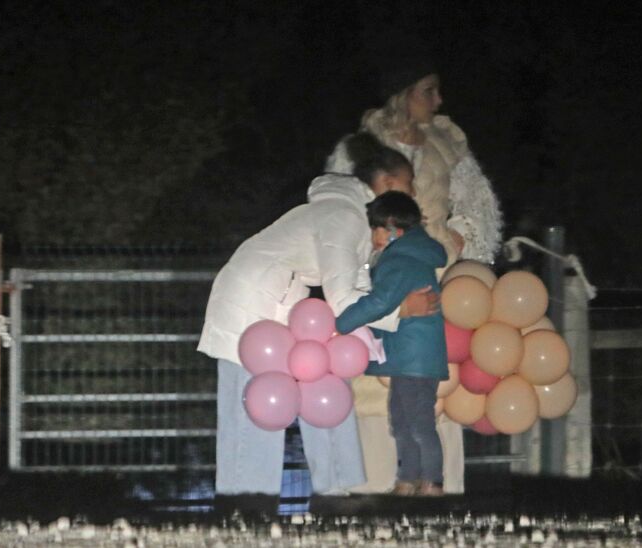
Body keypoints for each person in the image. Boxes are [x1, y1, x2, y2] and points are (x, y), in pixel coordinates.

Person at [198, 132, 438, 500]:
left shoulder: (354, 219)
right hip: (250, 304)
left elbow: (357, 289)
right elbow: (345, 301)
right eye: (410, 185)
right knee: (252, 410)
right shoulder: (344, 218)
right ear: (388, 185)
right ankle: (247, 507)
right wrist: (402, 311)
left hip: (275, 302)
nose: (415, 195)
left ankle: (331, 492)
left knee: (301, 391)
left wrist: (388, 312)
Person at [325, 49, 503, 494]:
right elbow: (339, 211)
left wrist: (461, 233)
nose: (439, 100)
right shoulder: (360, 147)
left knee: (431, 385)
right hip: (378, 268)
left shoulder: (446, 145)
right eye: (429, 90)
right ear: (403, 95)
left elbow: (478, 205)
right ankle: (378, 482)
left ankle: (436, 481)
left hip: (433, 271)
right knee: (373, 379)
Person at [335, 191, 448, 496]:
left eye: (375, 229)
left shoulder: (398, 260)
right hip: (412, 357)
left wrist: (341, 324)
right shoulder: (412, 256)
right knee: (403, 421)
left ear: (392, 228)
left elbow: (380, 302)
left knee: (418, 423)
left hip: (413, 359)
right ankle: (408, 479)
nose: (372, 237)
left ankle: (432, 482)